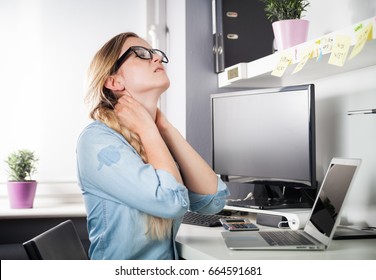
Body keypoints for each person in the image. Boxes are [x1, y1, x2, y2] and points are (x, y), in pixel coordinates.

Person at [76, 32, 229, 260]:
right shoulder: (97, 141)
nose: (156, 58)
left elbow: (213, 201)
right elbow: (172, 203)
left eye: (155, 53)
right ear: (114, 81)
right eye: (141, 54)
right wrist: (149, 129)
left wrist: (165, 128)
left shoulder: (156, 136)